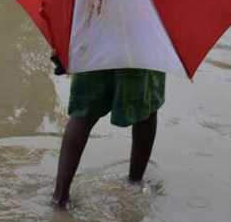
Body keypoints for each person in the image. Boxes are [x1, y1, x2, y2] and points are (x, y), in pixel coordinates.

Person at [50, 53, 165, 208]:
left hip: (94, 42)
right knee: (146, 107)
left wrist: (63, 49)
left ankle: (60, 197)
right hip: (139, 47)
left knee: (82, 114)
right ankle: (135, 183)